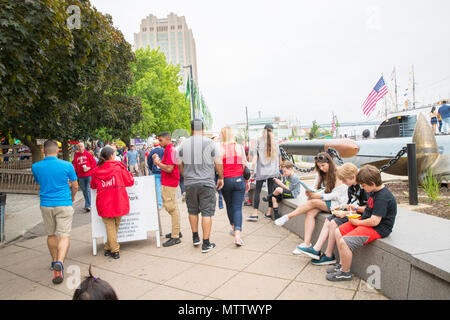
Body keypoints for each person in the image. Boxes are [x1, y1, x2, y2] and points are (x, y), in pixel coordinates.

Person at [326, 165, 397, 282]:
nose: (362, 188)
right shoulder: (374, 191)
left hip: (378, 228)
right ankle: (342, 265)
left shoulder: (383, 197)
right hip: (367, 222)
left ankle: (345, 273)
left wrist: (357, 223)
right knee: (338, 232)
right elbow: (369, 210)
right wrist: (355, 208)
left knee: (345, 242)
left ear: (372, 183)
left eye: (363, 186)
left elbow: (375, 221)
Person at [296, 163, 368, 266]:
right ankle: (317, 249)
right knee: (328, 220)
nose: (343, 182)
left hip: (358, 216)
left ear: (353, 177)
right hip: (352, 212)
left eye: (344, 180)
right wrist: (341, 208)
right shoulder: (352, 187)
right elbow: (350, 203)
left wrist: (345, 212)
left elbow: (366, 209)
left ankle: (329, 255)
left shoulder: (363, 188)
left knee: (333, 223)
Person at [275, 152, 348, 252]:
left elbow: (336, 195)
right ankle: (307, 243)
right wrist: (310, 192)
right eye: (319, 166)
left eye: (323, 165)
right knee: (310, 212)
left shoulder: (337, 173)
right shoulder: (320, 174)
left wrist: (319, 195)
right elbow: (315, 188)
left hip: (336, 204)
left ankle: (288, 216)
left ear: (330, 163)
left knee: (313, 203)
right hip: (324, 200)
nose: (322, 168)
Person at [31, 140, 78, 284]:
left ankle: (54, 262)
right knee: (64, 236)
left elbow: (40, 182)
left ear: (44, 151)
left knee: (51, 234)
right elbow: (75, 185)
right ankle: (60, 262)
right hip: (64, 202)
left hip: (46, 204)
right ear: (57, 150)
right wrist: (72, 197)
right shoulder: (67, 165)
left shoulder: (36, 166)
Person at [178, 119, 224, 253]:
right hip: (207, 183)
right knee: (207, 212)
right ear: (203, 129)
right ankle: (206, 243)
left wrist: (185, 175)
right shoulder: (210, 143)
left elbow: (179, 163)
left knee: (192, 210)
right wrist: (220, 177)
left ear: (191, 129)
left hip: (190, 183)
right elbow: (218, 162)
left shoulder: (183, 144)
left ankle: (195, 237)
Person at [90, 146, 134, 259]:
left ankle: (108, 246)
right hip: (118, 200)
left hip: (104, 201)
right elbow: (129, 182)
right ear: (111, 156)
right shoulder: (118, 167)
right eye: (114, 154)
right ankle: (115, 250)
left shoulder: (96, 170)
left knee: (111, 226)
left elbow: (93, 185)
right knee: (114, 225)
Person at [219, 126, 249, 246]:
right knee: (237, 208)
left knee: (229, 206)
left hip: (226, 181)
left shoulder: (220, 148)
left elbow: (218, 166)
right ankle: (237, 235)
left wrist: (220, 178)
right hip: (239, 180)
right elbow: (244, 165)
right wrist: (246, 182)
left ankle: (233, 226)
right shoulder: (239, 147)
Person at [153, 132, 182, 247]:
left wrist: (157, 163)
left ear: (167, 139)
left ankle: (175, 236)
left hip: (169, 182)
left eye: (160, 140)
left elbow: (169, 168)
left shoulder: (170, 150)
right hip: (169, 182)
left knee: (171, 208)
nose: (159, 143)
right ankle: (176, 231)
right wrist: (159, 161)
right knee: (172, 207)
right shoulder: (170, 149)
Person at [247, 124, 281, 221]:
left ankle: (255, 214)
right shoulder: (276, 142)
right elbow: (279, 157)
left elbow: (254, 158)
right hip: (273, 171)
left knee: (257, 191)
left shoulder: (258, 141)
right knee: (271, 191)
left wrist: (252, 170)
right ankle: (269, 213)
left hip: (262, 171)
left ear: (263, 131)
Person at [72, 142, 97, 212]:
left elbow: (94, 164)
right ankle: (88, 203)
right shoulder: (76, 155)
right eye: (78, 147)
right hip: (80, 175)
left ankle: (88, 205)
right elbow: (74, 164)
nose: (80, 148)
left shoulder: (88, 154)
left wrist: (89, 168)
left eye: (81, 147)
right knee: (84, 190)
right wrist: (74, 170)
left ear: (84, 147)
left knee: (88, 189)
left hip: (88, 174)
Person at [148, 139, 164, 208]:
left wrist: (152, 169)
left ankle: (160, 204)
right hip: (163, 170)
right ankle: (166, 202)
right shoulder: (163, 150)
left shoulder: (152, 151)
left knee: (157, 188)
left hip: (155, 171)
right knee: (164, 187)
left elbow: (149, 162)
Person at [212, 134, 224, 210]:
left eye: (217, 138)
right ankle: (216, 204)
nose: (216, 140)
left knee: (219, 188)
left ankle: (220, 204)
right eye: (214, 138)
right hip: (213, 171)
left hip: (218, 170)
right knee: (214, 188)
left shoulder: (220, 147)